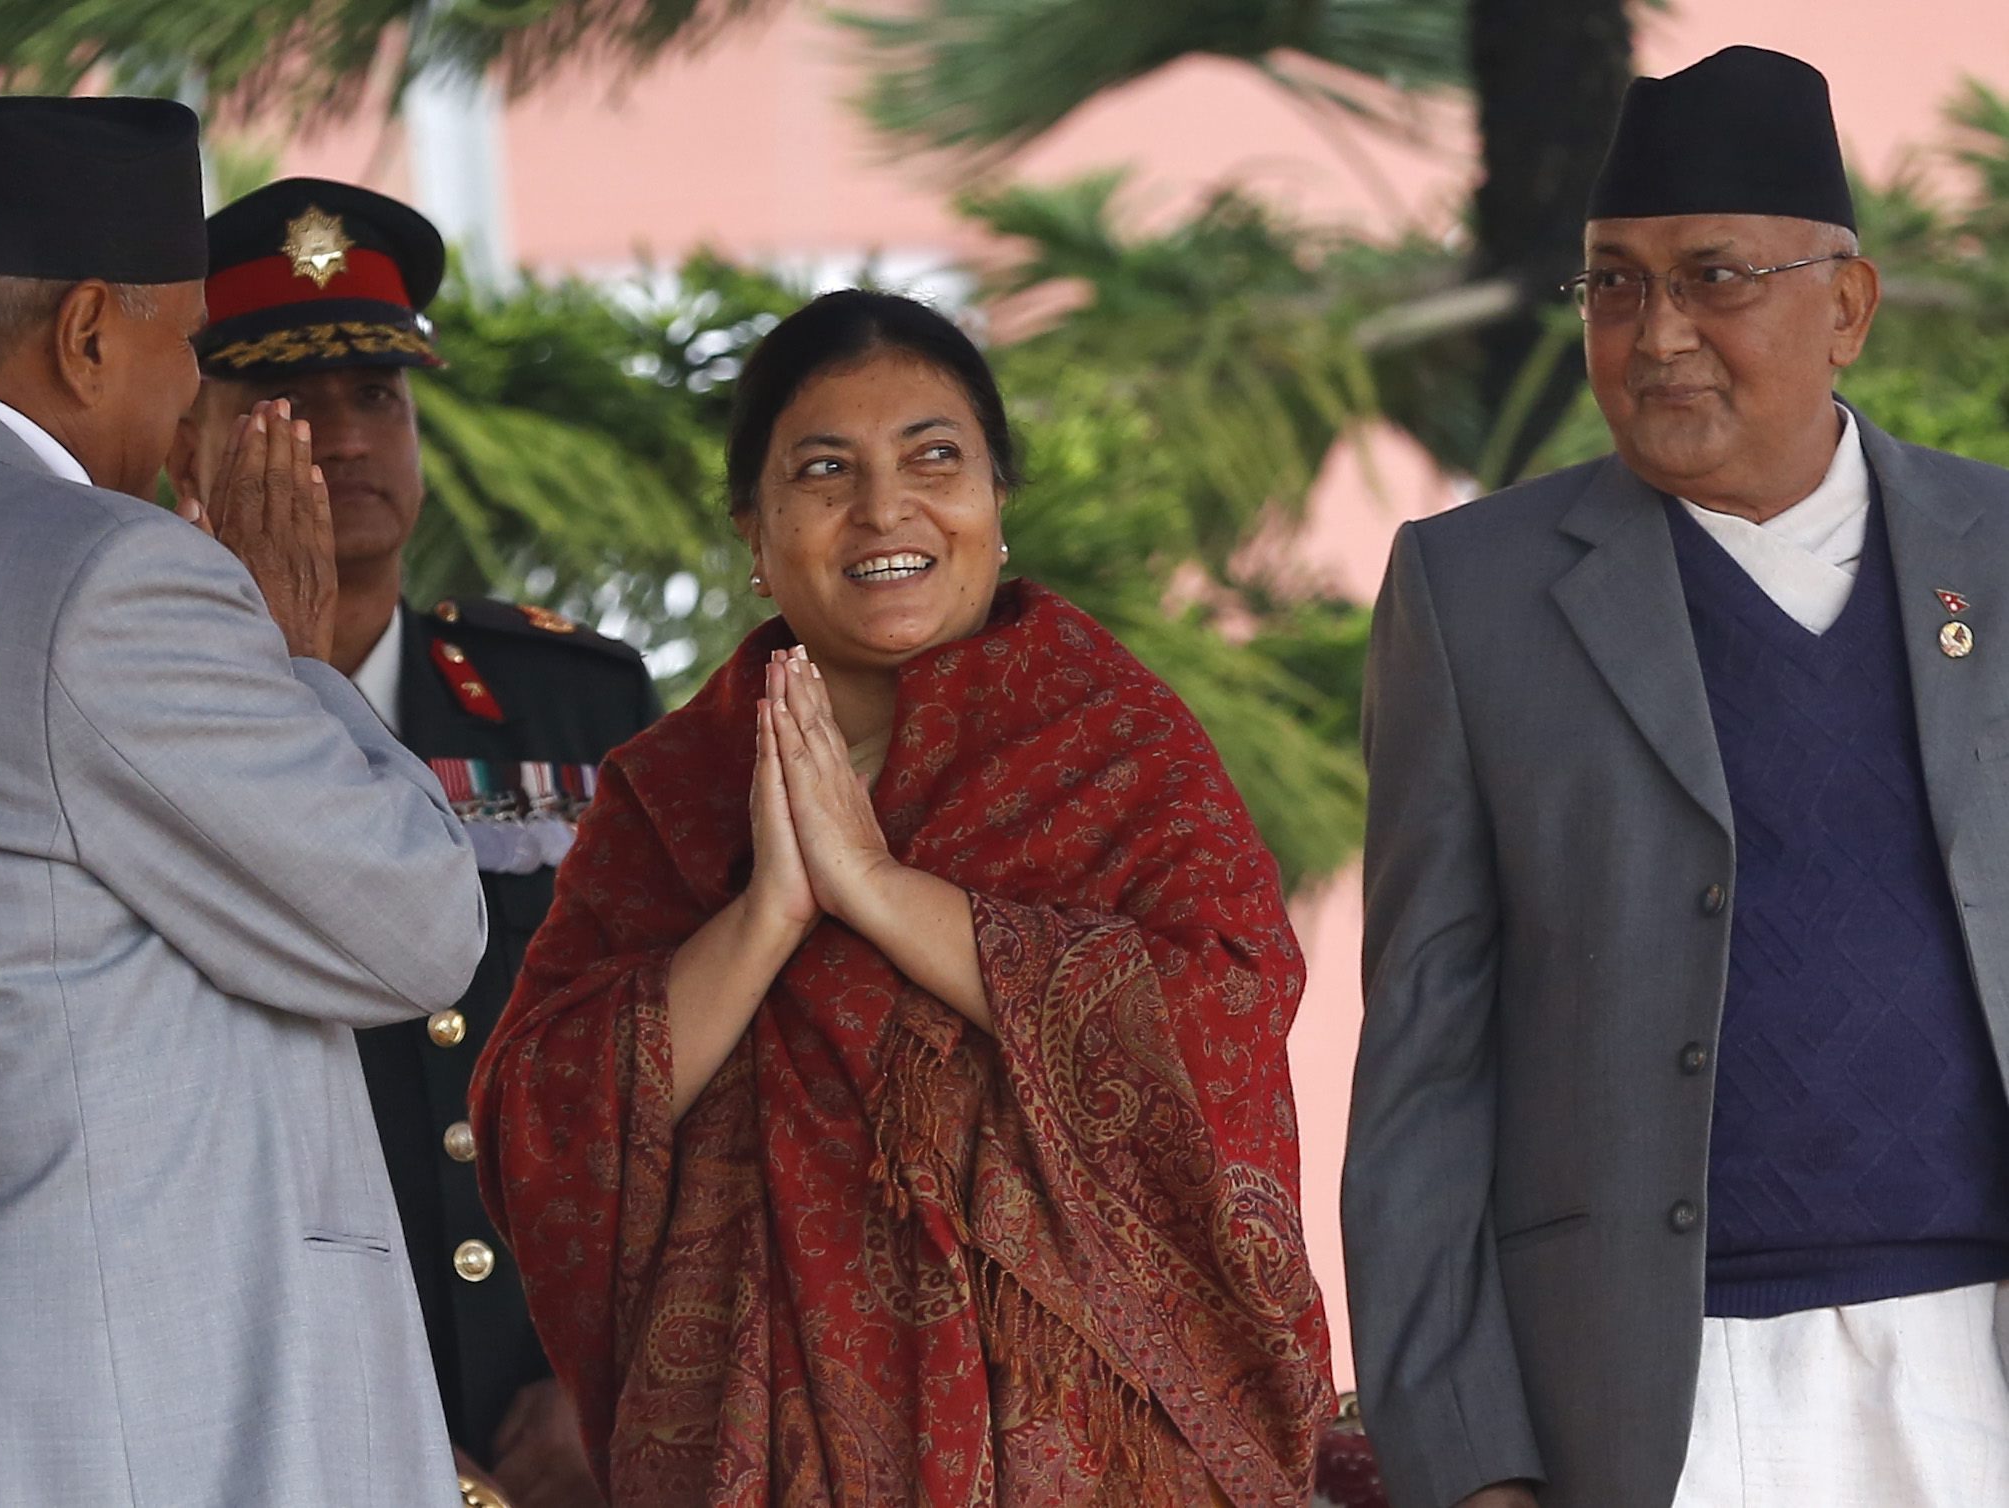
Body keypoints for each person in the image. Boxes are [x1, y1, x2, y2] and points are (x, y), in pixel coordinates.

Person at [468, 289, 1336, 1507]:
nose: (885, 509)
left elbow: (1220, 1019)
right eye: (825, 470)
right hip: (758, 1458)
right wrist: (767, 912)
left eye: (934, 458)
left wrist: (879, 892)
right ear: (755, 532)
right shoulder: (672, 793)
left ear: (994, 501)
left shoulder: (1114, 746)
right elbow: (541, 1124)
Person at [0, 98, 485, 1505]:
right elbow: (414, 927)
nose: (185, 408)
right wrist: (295, 666)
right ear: (88, 332)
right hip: (126, 1436)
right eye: (189, 349)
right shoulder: (107, 579)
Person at [1344, 45, 2009, 1508]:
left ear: (1843, 306)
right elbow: (1422, 1069)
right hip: (1649, 1395)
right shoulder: (1474, 593)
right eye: (1612, 284)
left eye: (1710, 277)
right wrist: (1467, 1461)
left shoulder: (1994, 554)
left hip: (1974, 1359)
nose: (1653, 335)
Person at [168, 176, 659, 1507]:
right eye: (285, 404)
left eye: (376, 395)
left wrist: (603, 1373)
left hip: (553, 1417)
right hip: (273, 1412)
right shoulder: (137, 709)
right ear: (182, 441)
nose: (342, 438)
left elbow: (663, 1054)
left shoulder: (573, 701)